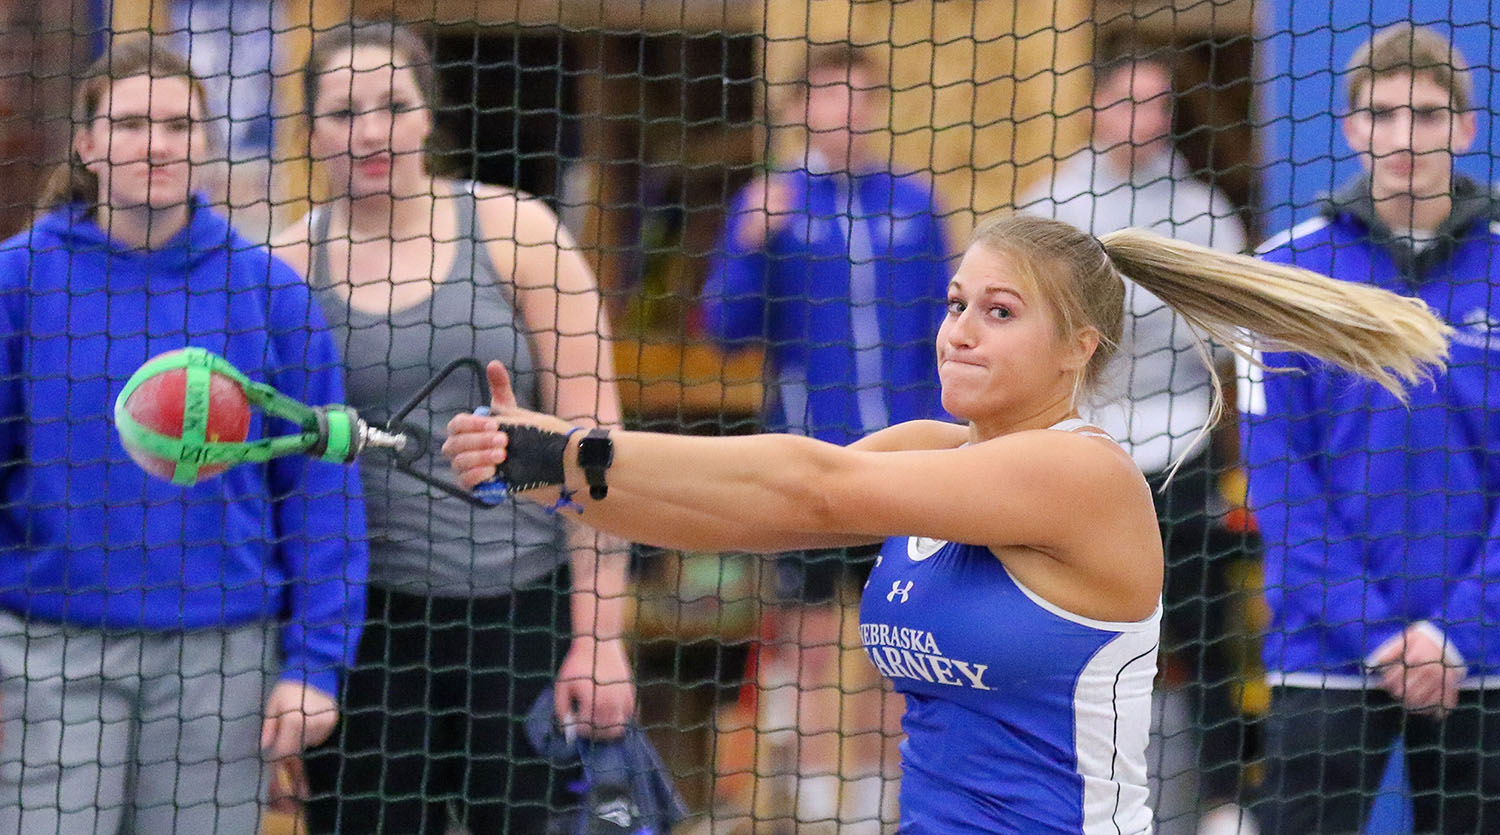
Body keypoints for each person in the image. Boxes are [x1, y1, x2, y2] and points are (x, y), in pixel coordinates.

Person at [445, 212, 1449, 833]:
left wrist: (574, 450)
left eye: (1000, 312)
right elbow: (740, 512)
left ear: (1078, 348)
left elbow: (812, 485)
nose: (960, 330)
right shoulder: (936, 450)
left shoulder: (1079, 474)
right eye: (957, 302)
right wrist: (543, 474)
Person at [270, 19, 636, 834]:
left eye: (393, 106)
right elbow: (270, 487)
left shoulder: (519, 233)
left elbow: (601, 447)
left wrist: (600, 637)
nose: (371, 131)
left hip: (522, 614)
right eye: (344, 112)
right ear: (311, 133)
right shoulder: (285, 270)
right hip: (366, 632)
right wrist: (288, 668)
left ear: (428, 116)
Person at [0, 37, 368, 834]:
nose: (156, 145)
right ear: (87, 144)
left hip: (221, 659)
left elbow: (320, 489)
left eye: (178, 126)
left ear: (205, 144)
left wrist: (316, 664)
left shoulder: (270, 293)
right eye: (131, 124)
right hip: (47, 649)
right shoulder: (18, 280)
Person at [1243, 23, 1500, 834]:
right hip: (1324, 657)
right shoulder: (1283, 275)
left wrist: (1458, 632)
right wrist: (1379, 634)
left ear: (1466, 127)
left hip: (1487, 661)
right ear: (1351, 129)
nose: (1404, 137)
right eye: (1382, 115)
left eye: (1427, 115)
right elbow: (1279, 480)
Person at [698, 44, 952, 826]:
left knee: (894, 638)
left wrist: (947, 437)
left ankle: (878, 802)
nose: (847, 112)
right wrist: (750, 242)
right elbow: (723, 327)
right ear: (800, 109)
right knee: (808, 643)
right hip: (809, 462)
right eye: (831, 96)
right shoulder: (773, 201)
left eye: (859, 97)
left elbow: (944, 332)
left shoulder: (912, 204)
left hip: (902, 468)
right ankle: (815, 805)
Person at [1019, 53, 1252, 832]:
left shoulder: (1203, 211)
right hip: (1081, 451)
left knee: (1201, 627)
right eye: (1126, 101)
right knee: (1070, 633)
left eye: (1157, 105)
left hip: (1179, 450)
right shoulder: (1051, 207)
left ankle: (1221, 801)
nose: (1141, 120)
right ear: (1095, 105)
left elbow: (1228, 337)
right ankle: (1062, 797)